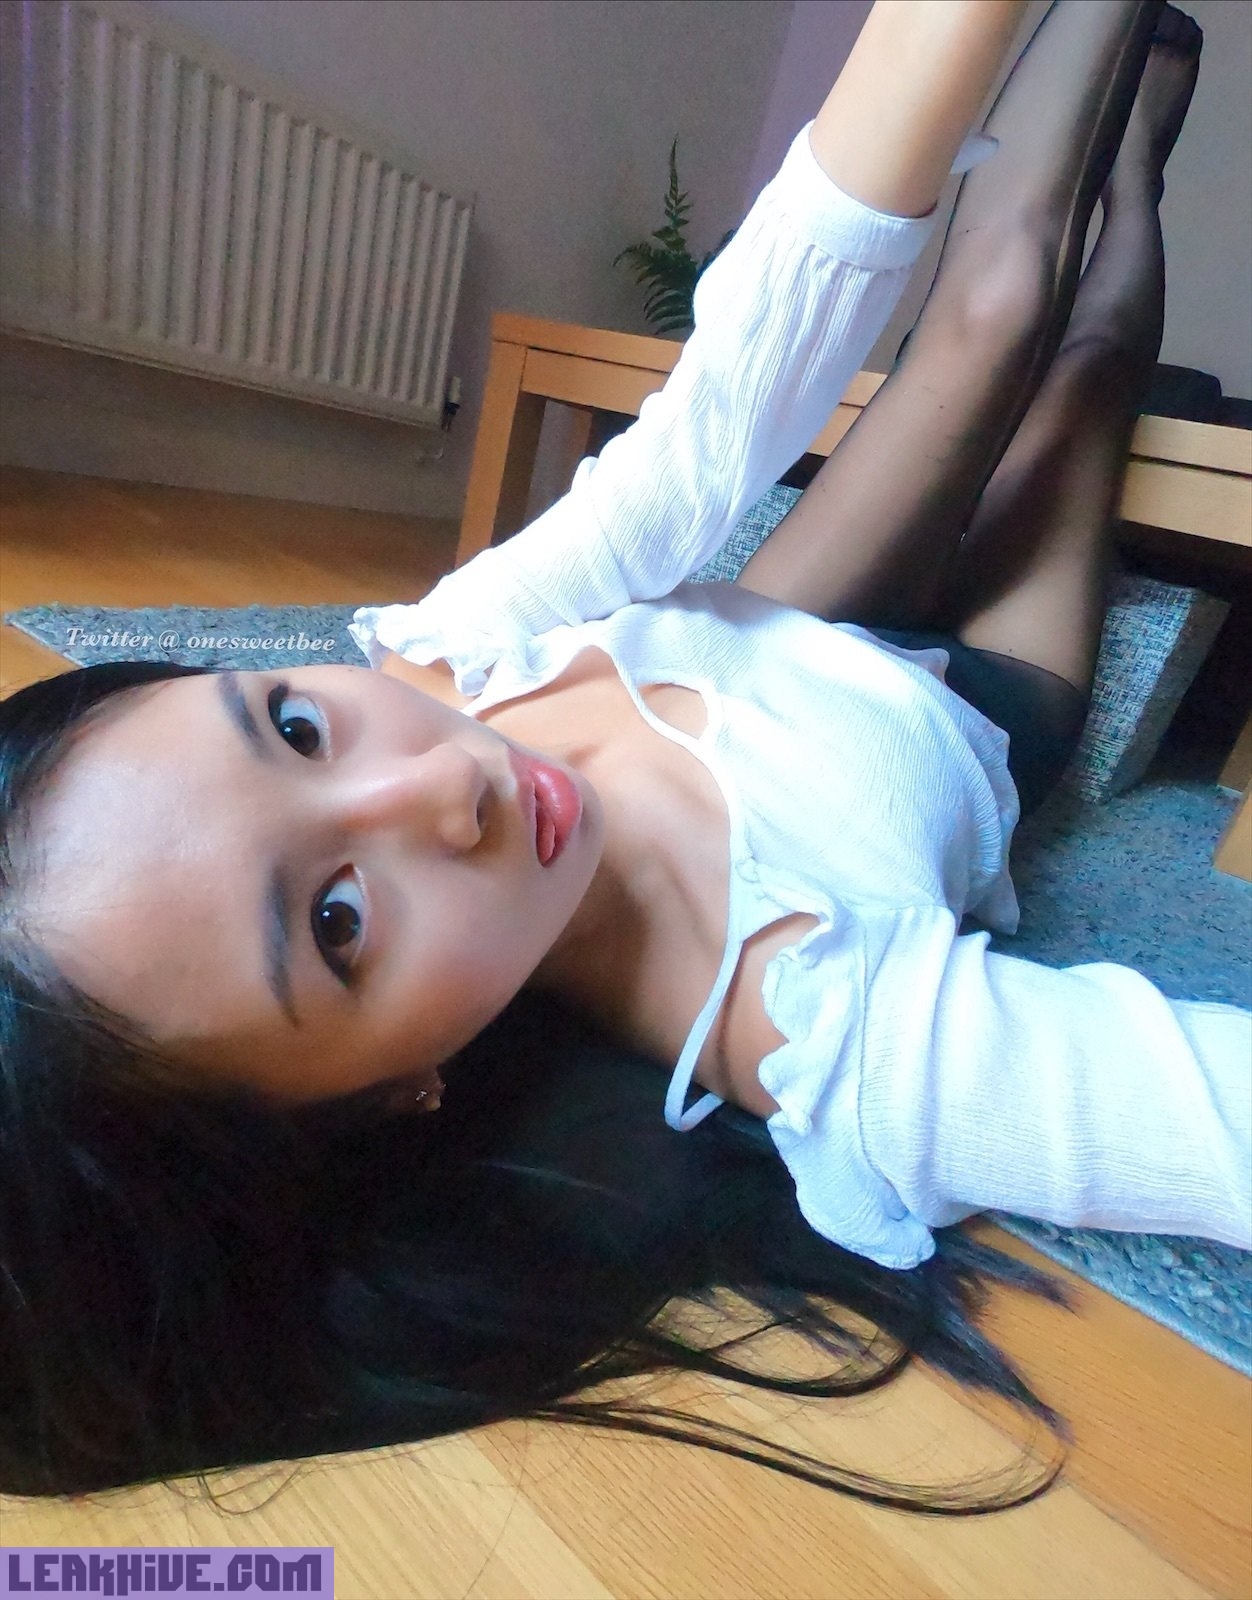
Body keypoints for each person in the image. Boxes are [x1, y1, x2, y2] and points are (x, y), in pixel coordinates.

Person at [1, 0, 1242, 1511]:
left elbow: (714, 419)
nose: (442, 784)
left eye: (291, 725)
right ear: (383, 1099)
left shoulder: (447, 663)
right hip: (959, 718)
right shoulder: (835, 1032)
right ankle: (1138, 166)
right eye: (337, 921)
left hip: (767, 636)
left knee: (985, 312)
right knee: (1085, 357)